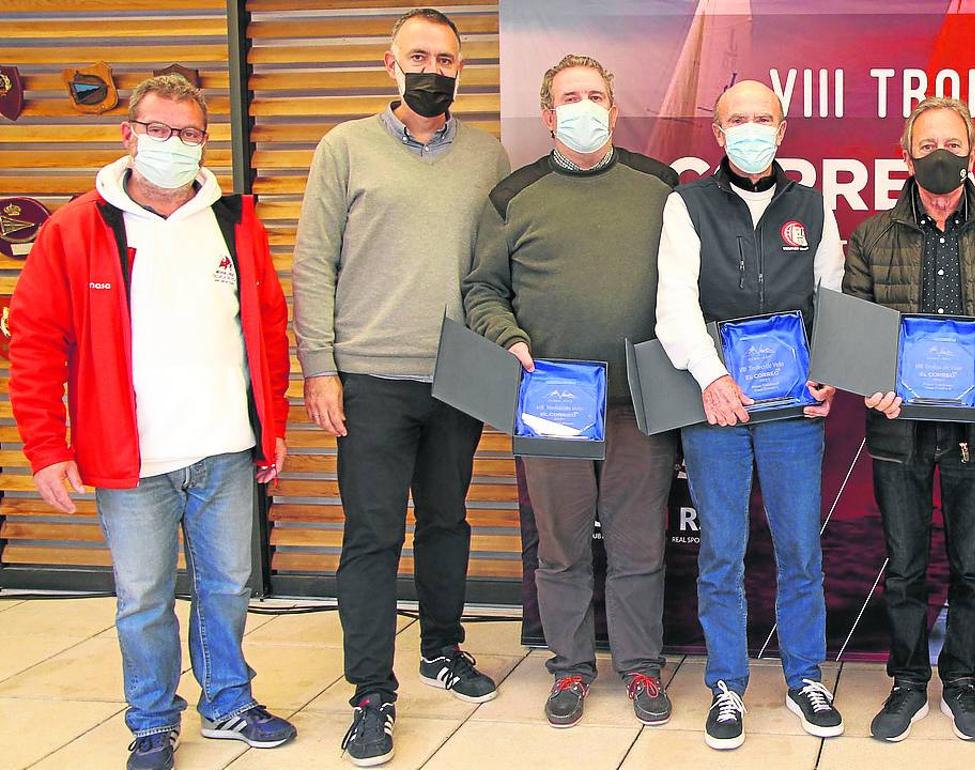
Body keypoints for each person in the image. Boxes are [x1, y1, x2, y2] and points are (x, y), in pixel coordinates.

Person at [8, 74, 295, 770]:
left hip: (227, 448)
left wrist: (273, 422)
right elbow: (36, 342)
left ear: (204, 140)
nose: (174, 145)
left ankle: (228, 701)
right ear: (128, 133)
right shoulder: (78, 227)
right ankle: (152, 719)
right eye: (159, 130)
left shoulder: (233, 220)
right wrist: (47, 448)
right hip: (131, 460)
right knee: (144, 599)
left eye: (189, 133)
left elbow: (266, 324)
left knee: (227, 588)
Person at [291, 8, 511, 766]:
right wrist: (319, 365)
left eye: (446, 60)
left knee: (447, 524)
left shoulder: (488, 155)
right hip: (371, 377)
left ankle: (442, 649)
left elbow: (498, 268)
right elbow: (314, 262)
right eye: (419, 56)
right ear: (390, 63)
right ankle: (370, 693)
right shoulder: (344, 147)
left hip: (458, 372)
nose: (433, 70)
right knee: (373, 535)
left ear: (460, 69)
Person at [464, 53, 679, 729]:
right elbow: (481, 289)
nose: (584, 108)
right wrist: (507, 338)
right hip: (551, 403)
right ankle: (571, 669)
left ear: (613, 112)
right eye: (570, 98)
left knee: (640, 545)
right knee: (559, 548)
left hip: (641, 401)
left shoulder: (660, 186)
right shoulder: (512, 196)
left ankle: (642, 666)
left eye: (596, 97)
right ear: (549, 114)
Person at [842, 96, 975, 743]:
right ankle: (907, 682)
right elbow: (854, 327)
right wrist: (873, 378)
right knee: (902, 567)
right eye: (927, 145)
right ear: (907, 154)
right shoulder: (872, 235)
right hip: (897, 428)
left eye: (952, 145)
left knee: (971, 566)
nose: (940, 156)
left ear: (972, 152)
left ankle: (961, 681)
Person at [655, 79, 842, 751]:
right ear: (718, 131)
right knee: (723, 552)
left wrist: (830, 371)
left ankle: (804, 679)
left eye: (763, 118)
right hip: (719, 406)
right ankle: (728, 685)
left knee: (799, 548)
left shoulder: (813, 207)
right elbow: (673, 302)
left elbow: (832, 296)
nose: (752, 129)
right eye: (739, 119)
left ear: (783, 128)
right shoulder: (688, 204)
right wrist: (711, 377)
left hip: (794, 409)